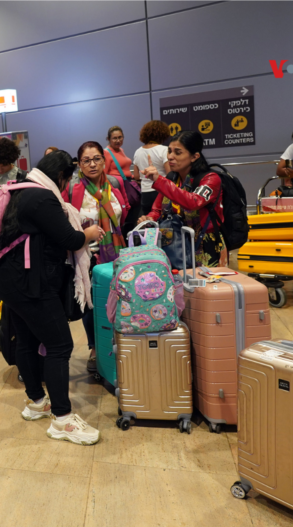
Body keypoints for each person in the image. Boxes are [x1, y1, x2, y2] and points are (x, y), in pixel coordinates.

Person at [0, 151, 104, 445]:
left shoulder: (21, 189)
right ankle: (63, 421)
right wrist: (89, 232)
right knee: (59, 344)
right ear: (62, 177)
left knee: (27, 340)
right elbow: (69, 239)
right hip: (30, 283)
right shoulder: (42, 197)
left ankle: (36, 402)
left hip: (11, 278)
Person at [69, 142, 126, 376]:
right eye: (86, 160)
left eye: (97, 159)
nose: (92, 164)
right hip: (87, 255)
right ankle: (94, 348)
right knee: (91, 305)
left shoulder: (115, 183)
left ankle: (118, 345)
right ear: (79, 164)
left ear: (104, 161)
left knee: (117, 300)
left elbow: (125, 210)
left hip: (115, 253)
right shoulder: (73, 189)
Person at [140, 130, 226, 268]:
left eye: (178, 152)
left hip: (204, 245)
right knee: (176, 286)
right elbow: (157, 210)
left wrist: (159, 180)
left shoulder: (210, 179)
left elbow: (193, 201)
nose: (170, 157)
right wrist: (149, 218)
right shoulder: (172, 179)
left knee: (204, 287)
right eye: (169, 151)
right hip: (174, 244)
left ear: (194, 156)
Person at [131, 120, 171, 213]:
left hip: (145, 193)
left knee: (149, 223)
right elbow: (170, 174)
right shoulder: (164, 150)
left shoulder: (138, 151)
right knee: (163, 222)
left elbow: (137, 176)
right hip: (161, 191)